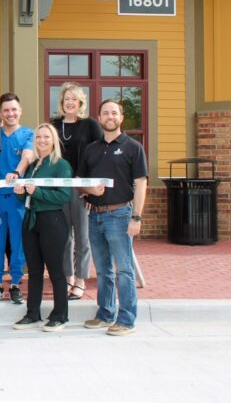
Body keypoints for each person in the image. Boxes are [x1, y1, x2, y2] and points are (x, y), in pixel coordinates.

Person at [79, 99, 148, 337]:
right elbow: (82, 182)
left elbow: (140, 183)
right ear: (99, 118)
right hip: (94, 215)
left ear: (121, 117)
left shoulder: (133, 147)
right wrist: (89, 190)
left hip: (120, 214)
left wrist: (136, 217)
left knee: (124, 270)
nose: (110, 116)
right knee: (103, 269)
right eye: (105, 113)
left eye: (114, 113)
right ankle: (105, 313)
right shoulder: (91, 149)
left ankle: (127, 319)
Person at [11, 123, 73, 331]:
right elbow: (23, 199)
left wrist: (36, 191)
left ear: (54, 140)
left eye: (46, 137)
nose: (42, 141)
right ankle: (32, 313)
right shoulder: (33, 165)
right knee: (34, 271)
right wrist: (20, 192)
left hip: (52, 222)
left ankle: (60, 315)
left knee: (55, 270)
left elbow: (63, 197)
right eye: (38, 137)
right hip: (31, 221)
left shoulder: (61, 165)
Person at [51, 83, 103, 301]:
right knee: (64, 237)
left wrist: (90, 189)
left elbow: (100, 156)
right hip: (59, 188)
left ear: (80, 102)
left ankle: (81, 280)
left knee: (82, 237)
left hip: (81, 189)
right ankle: (67, 278)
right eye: (66, 99)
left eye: (74, 99)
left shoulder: (90, 125)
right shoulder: (54, 124)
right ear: (62, 103)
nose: (70, 102)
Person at [0, 93, 33, 304]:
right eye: (6, 110)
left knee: (17, 243)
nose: (10, 114)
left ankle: (15, 283)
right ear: (1, 113)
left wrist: (17, 172)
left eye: (14, 109)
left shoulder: (28, 134)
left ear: (20, 111)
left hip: (17, 199)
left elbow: (28, 156)